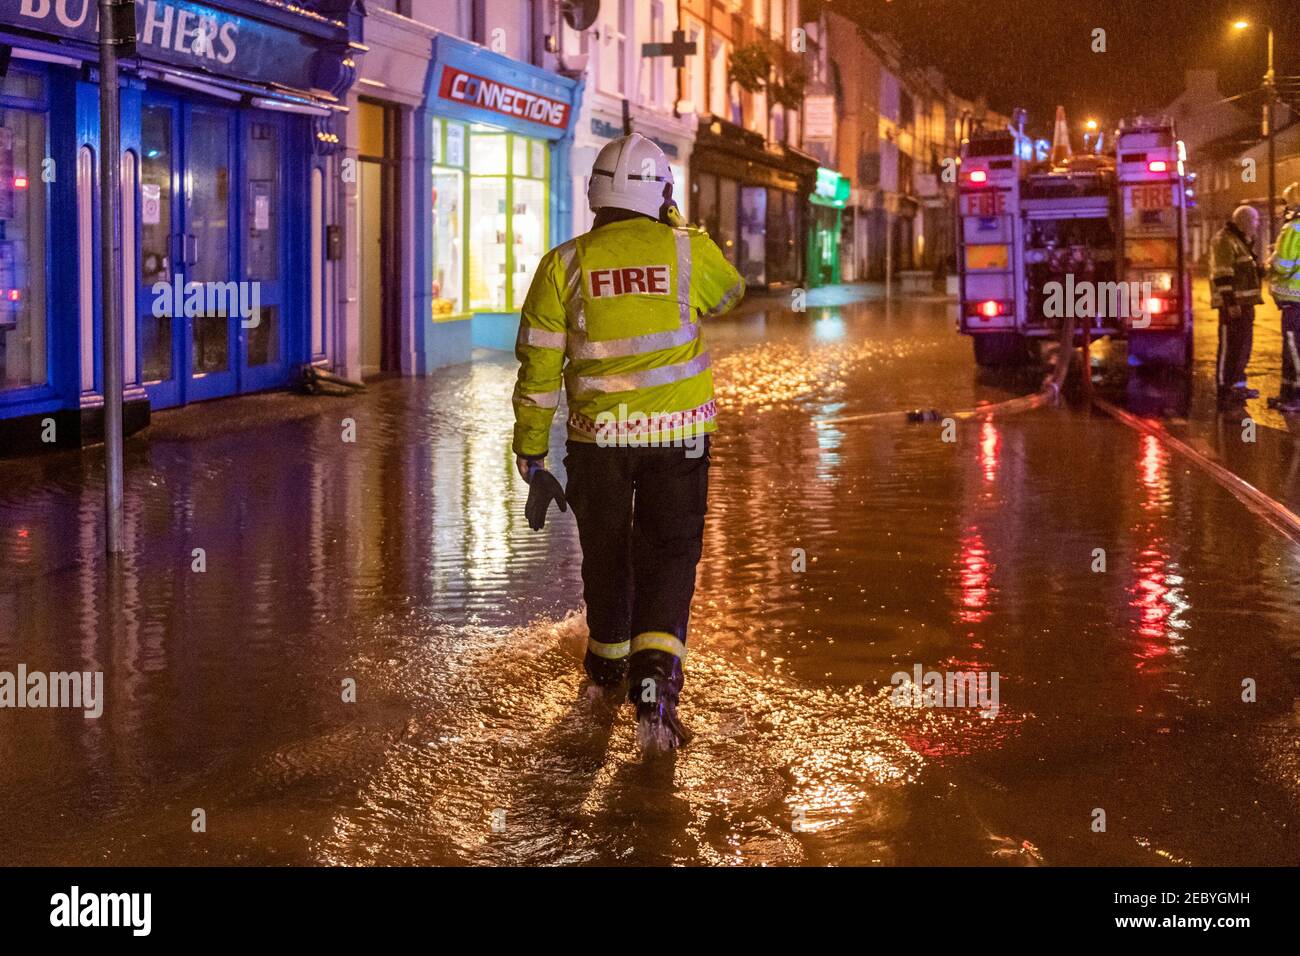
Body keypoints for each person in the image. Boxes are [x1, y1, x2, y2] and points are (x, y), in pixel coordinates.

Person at [511, 133, 744, 749]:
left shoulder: (562, 265)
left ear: (595, 194)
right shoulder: (687, 252)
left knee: (608, 554)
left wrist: (531, 454)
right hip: (679, 441)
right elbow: (731, 293)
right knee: (669, 557)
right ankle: (653, 697)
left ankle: (604, 674)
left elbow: (538, 374)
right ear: (661, 193)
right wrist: (679, 224)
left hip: (597, 445)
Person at [1209, 205, 1264, 406]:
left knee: (1242, 348)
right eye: (1255, 221)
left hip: (1245, 305)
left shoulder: (1240, 241)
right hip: (1232, 306)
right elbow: (1222, 273)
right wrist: (1230, 302)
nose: (1257, 225)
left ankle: (1238, 386)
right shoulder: (1224, 240)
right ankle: (1224, 388)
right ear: (1245, 222)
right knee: (1229, 348)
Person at [1267, 183, 1300, 413]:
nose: (1285, 207)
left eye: (1287, 202)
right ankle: (1286, 394)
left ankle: (1295, 398)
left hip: (1294, 301)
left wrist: (1270, 260)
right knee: (1291, 350)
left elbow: (1283, 264)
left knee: (1294, 349)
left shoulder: (1293, 228)